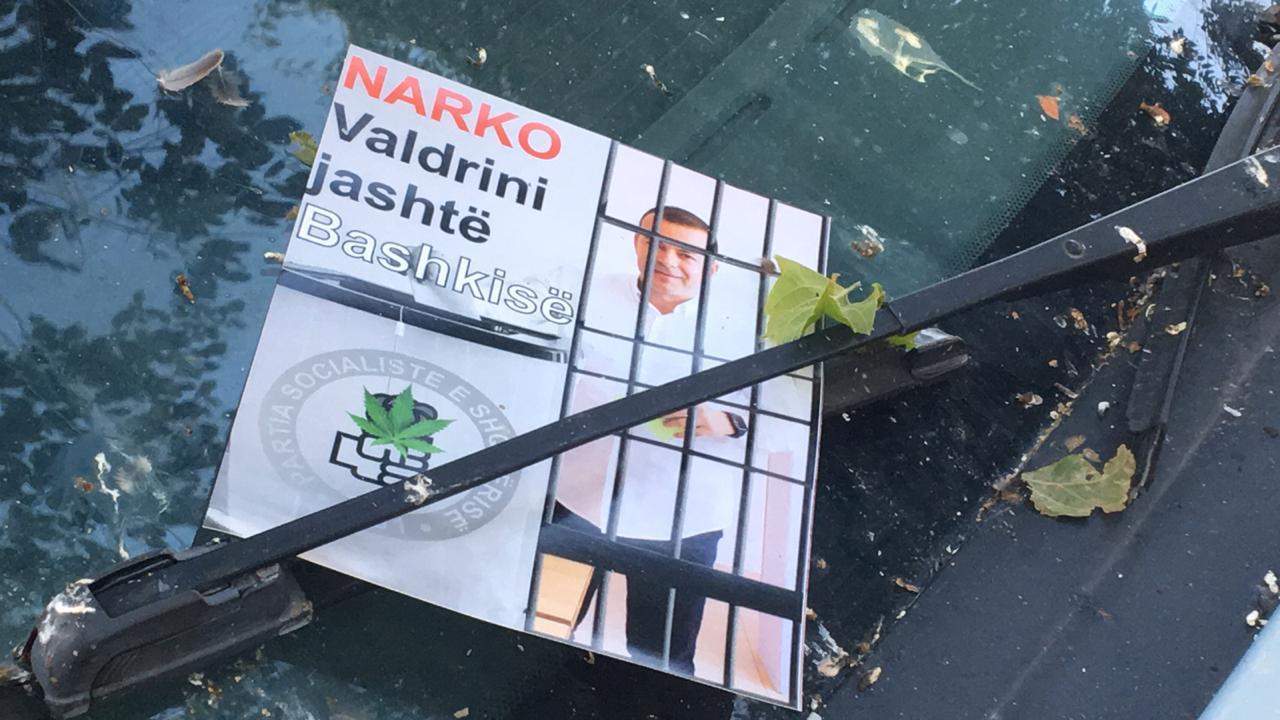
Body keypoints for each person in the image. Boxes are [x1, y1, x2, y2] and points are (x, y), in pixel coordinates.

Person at [552, 205, 749, 676]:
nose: (668, 259)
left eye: (686, 253)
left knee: (662, 657)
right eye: (656, 243)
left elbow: (783, 414)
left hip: (685, 518)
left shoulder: (744, 328)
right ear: (637, 243)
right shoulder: (583, 292)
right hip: (572, 496)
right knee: (537, 616)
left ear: (711, 267)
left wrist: (728, 420)